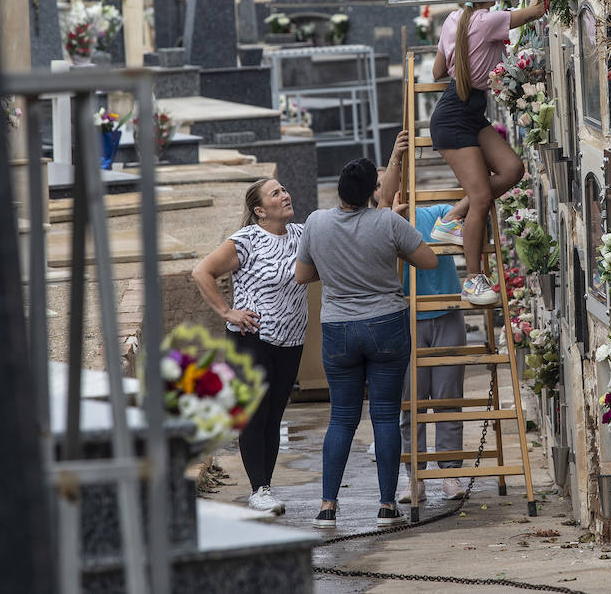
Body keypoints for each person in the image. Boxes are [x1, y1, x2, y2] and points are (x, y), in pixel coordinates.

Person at [295, 155, 438, 529]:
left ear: (340, 190)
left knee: (341, 418)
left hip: (338, 328)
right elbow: (429, 261)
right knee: (385, 416)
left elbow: (302, 275)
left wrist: (336, 269)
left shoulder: (315, 222)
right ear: (369, 192)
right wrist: (393, 249)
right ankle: (387, 506)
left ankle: (327, 506)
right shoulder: (388, 222)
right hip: (386, 323)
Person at [427, 0, 547, 302]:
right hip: (455, 118)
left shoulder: (453, 20)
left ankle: (452, 217)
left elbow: (437, 71)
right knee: (481, 198)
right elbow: (537, 11)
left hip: (466, 112)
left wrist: (464, 53)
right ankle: (473, 280)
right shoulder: (489, 20)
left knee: (513, 169)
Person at [190, 178, 307, 516]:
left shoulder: (301, 235)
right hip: (251, 338)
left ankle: (266, 485)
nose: (285, 195)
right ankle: (259, 489)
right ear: (260, 210)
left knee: (275, 414)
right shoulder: (246, 240)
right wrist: (227, 311)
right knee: (255, 415)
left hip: (291, 338)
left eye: (284, 190)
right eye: (275, 193)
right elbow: (202, 272)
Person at [377, 133, 468, 505]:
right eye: (382, 188)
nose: (389, 190)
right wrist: (395, 160)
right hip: (406, 319)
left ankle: (449, 472)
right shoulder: (379, 225)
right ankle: (414, 476)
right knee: (410, 403)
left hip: (447, 314)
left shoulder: (436, 212)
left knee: (448, 398)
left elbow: (469, 203)